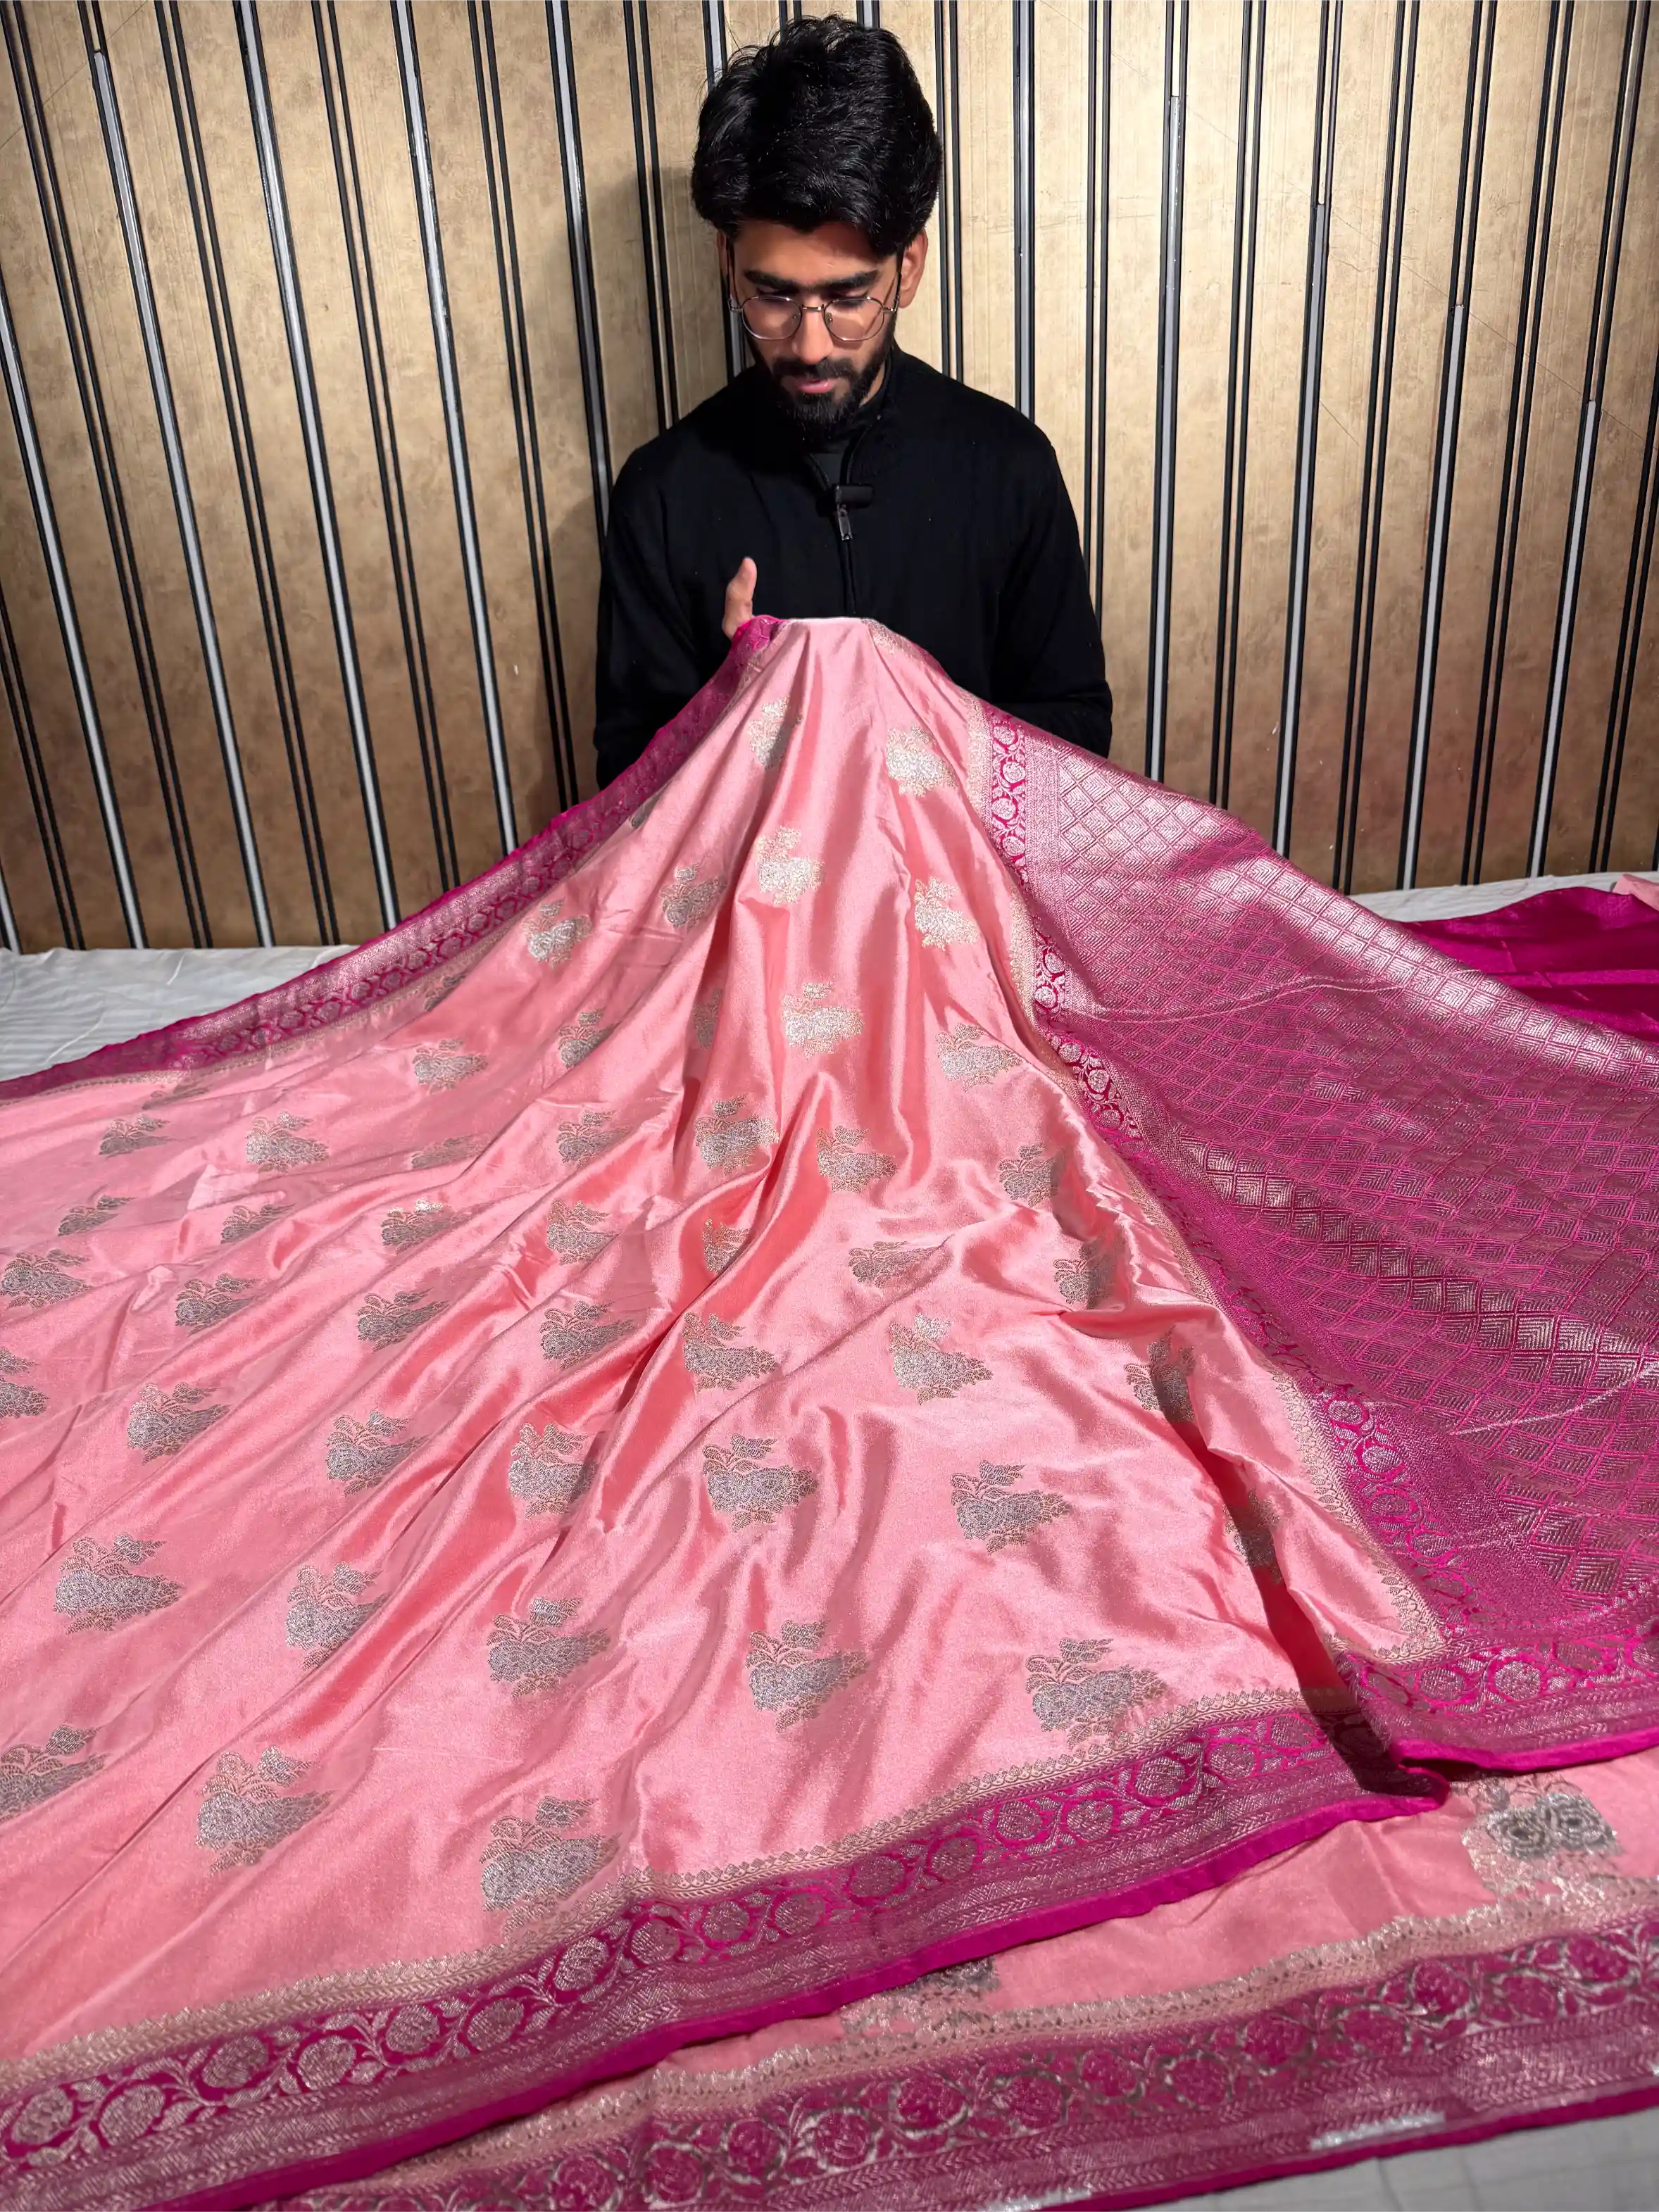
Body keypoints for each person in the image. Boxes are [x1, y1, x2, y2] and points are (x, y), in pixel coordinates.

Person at [592, 14, 1113, 786]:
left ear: (906, 268)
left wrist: (880, 717)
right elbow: (626, 780)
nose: (808, 345)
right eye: (772, 296)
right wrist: (733, 711)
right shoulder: (663, 495)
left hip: (963, 899)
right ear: (728, 265)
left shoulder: (1008, 466)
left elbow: (1076, 731)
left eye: (847, 297)